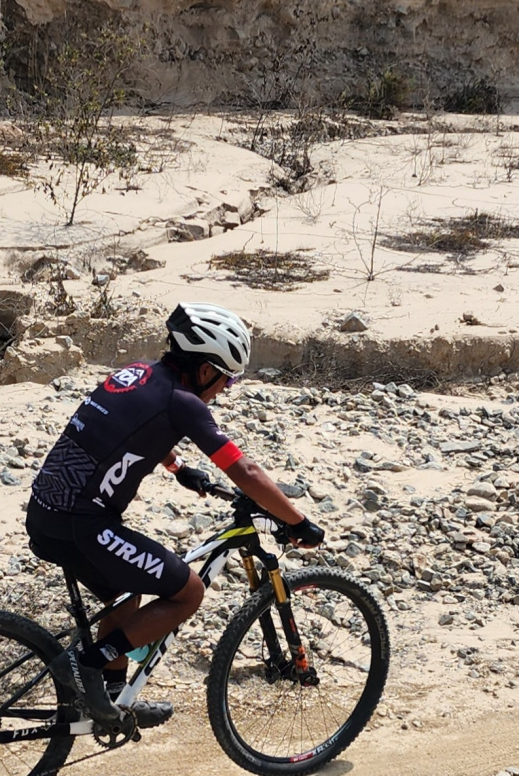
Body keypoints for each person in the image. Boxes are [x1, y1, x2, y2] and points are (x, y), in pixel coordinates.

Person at [26, 302, 325, 726]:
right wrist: (298, 522)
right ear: (204, 370)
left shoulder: (137, 373)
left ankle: (112, 700)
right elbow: (244, 471)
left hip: (46, 513)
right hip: (82, 524)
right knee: (188, 592)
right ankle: (88, 664)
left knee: (126, 591)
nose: (225, 389)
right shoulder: (183, 402)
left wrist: (178, 468)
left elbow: (129, 426)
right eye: (227, 379)